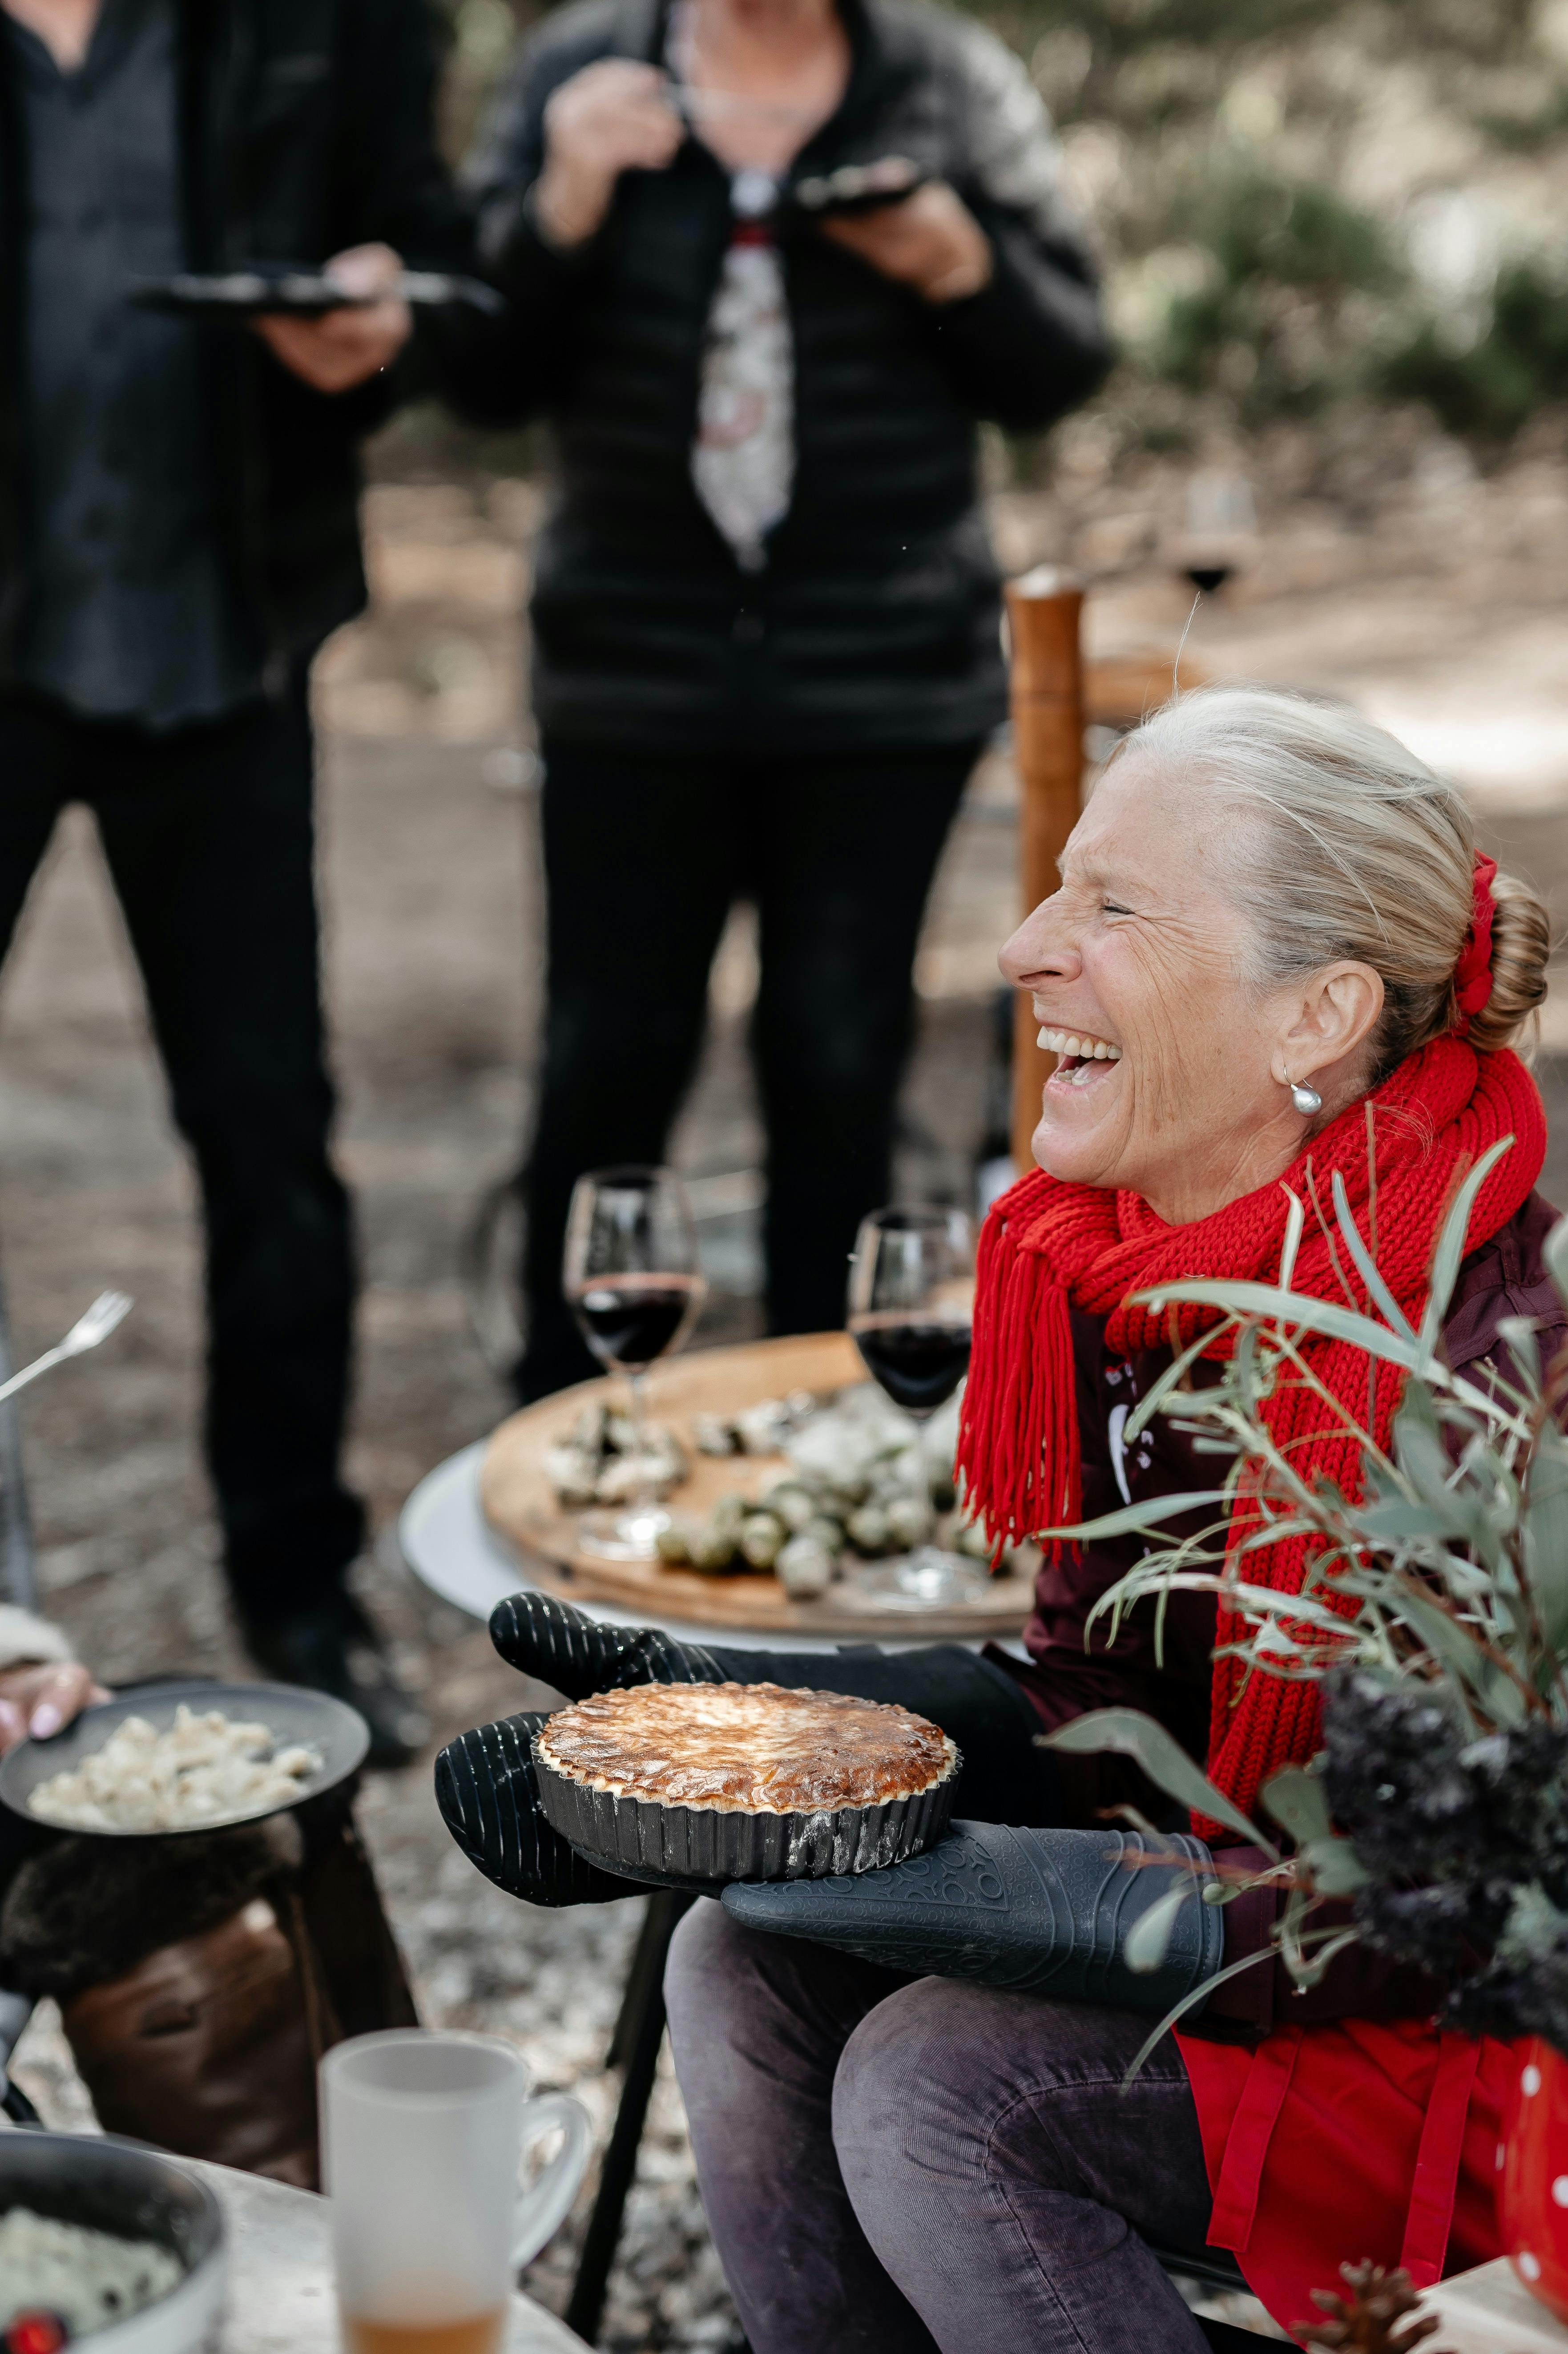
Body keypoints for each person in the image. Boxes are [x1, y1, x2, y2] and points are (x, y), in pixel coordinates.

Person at [434, 683, 1557, 2351]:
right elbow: (1088, 1699)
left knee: (940, 2081)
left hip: (1473, 2029)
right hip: (1264, 1929)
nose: (1030, 945)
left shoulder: (1486, 1386)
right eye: (1059, 889)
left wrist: (941, 1881)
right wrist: (722, 1741)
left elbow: (1407, 1917)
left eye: (1112, 907)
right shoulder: (1117, 1253)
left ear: (1315, 1014)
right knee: (733, 1966)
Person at [433, 0, 1111, 1399]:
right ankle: (568, 1435)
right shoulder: (579, 69)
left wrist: (962, 260)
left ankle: (827, 1417)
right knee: (607, 1060)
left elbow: (1067, 359)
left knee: (838, 1066)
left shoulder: (946, 83)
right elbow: (469, 370)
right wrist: (561, 202)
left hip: (885, 688)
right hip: (632, 680)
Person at [0, 0, 467, 1756]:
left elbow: (429, 248)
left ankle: (299, 1587)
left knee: (272, 1146)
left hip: (219, 652)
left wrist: (381, 310)